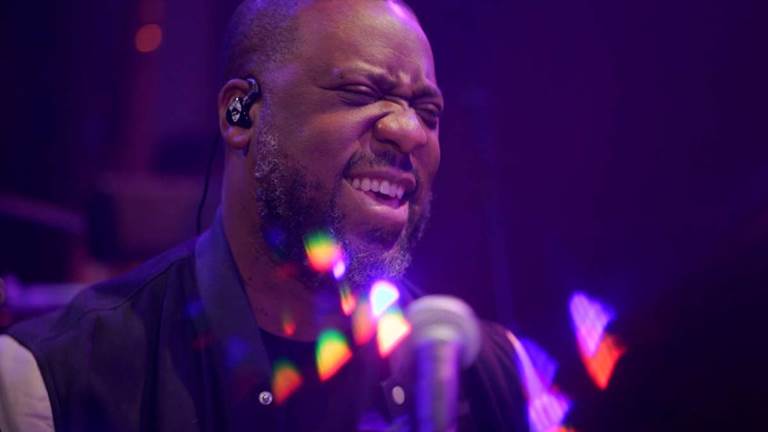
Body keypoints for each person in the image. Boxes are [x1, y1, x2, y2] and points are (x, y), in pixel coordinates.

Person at [0, 1, 528, 430]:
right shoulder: (51, 383)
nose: (411, 131)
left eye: (428, 112)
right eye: (363, 92)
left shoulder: (485, 374)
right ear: (242, 115)